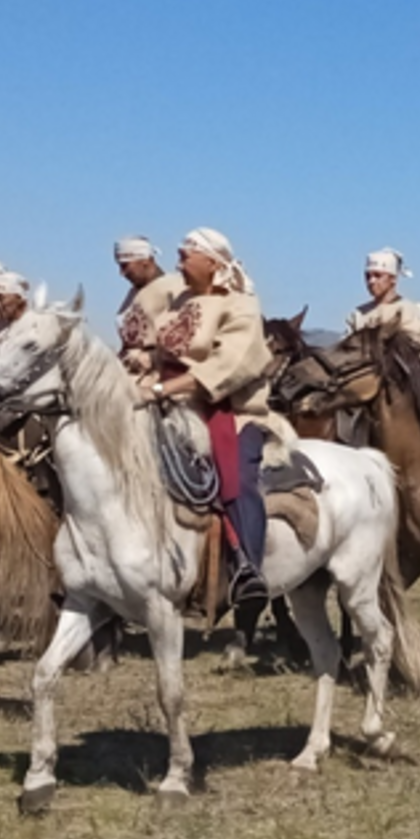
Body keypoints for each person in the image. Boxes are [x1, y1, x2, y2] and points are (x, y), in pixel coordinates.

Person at [147, 227, 276, 609]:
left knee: (237, 476)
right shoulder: (178, 302)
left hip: (229, 410)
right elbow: (164, 350)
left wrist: (161, 390)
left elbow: (230, 365)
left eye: (186, 255)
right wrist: (145, 363)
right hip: (170, 406)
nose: (178, 263)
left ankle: (246, 567)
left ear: (212, 263)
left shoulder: (241, 306)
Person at [343, 247, 420, 380]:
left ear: (393, 279)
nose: (371, 281)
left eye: (377, 275)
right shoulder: (358, 315)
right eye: (368, 276)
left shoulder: (414, 311)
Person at [114, 236, 186, 378]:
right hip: (130, 373)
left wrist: (152, 357)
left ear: (145, 261)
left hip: (162, 377)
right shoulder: (133, 294)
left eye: (125, 265)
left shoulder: (175, 287)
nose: (122, 273)